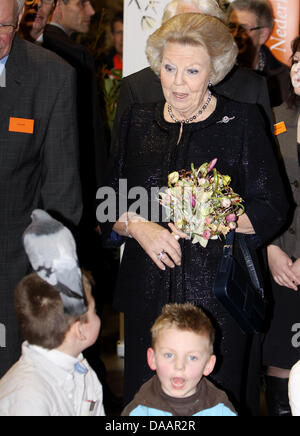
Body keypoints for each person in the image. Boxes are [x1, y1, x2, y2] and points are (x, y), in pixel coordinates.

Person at [99, 13, 289, 415]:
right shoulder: (137, 120)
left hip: (216, 305)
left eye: (191, 70)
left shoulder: (241, 122)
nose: (177, 82)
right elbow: (106, 201)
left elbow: (273, 206)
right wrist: (138, 226)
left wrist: (215, 214)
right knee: (143, 407)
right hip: (146, 298)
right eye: (169, 68)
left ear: (213, 71)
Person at [0, 0, 82, 378]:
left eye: (2, 26)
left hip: (12, 271)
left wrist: (54, 285)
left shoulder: (50, 77)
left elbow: (62, 193)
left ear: (21, 18)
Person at [111, 0, 273, 158]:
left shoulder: (251, 87)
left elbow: (264, 160)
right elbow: (120, 164)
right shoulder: (137, 87)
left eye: (199, 28)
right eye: (181, 27)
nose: (189, 37)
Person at [0, 272, 105, 416]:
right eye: (95, 311)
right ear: (80, 329)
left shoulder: (84, 373)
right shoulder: (28, 398)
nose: (98, 316)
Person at [262, 35, 300, 416]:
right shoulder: (274, 119)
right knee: (280, 356)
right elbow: (258, 188)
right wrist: (270, 247)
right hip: (280, 263)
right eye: (297, 60)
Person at [122, 303, 237, 416]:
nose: (179, 366)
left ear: (208, 365)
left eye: (192, 357)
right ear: (152, 359)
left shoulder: (221, 411)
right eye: (169, 355)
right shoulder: (137, 412)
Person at [227, 0, 290, 108]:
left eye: (243, 28)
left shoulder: (284, 79)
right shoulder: (216, 69)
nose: (235, 34)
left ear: (263, 35)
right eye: (232, 26)